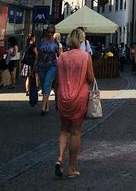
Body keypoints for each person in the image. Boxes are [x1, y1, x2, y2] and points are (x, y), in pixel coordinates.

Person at [54, 28, 95, 180]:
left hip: (63, 96)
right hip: (79, 97)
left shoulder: (62, 57)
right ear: (82, 40)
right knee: (76, 132)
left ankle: (59, 158)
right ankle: (71, 168)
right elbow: (90, 79)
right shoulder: (85, 57)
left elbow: (57, 80)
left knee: (64, 130)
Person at [36, 25, 62, 115]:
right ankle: (46, 106)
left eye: (52, 32)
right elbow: (38, 55)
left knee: (47, 84)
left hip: (52, 66)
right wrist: (35, 66)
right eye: (49, 32)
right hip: (41, 66)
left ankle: (43, 108)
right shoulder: (42, 41)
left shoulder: (56, 43)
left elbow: (59, 56)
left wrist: (60, 67)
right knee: (43, 86)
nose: (50, 34)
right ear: (46, 32)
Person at [21, 33, 39, 106]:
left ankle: (27, 90)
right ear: (33, 38)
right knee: (34, 77)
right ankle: (34, 90)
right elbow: (36, 54)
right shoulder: (33, 46)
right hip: (32, 64)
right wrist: (36, 63)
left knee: (27, 78)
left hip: (26, 64)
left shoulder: (27, 45)